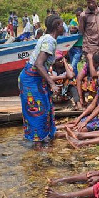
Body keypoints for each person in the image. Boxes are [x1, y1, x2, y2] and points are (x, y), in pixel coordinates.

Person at [18, 15, 64, 148]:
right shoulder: (49, 41)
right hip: (31, 79)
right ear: (57, 26)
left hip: (35, 77)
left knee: (45, 107)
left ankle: (44, 139)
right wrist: (52, 83)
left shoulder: (48, 39)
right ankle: (37, 145)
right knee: (37, 110)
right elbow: (39, 64)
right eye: (62, 25)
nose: (63, 27)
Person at [59, 62, 99, 135]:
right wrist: (80, 117)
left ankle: (60, 134)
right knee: (78, 122)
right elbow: (93, 104)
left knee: (82, 128)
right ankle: (55, 129)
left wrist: (86, 121)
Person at [68, 7, 84, 76]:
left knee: (73, 65)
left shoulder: (84, 21)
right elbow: (71, 30)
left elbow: (82, 30)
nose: (78, 17)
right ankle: (76, 78)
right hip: (71, 46)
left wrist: (77, 27)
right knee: (72, 65)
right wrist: (77, 27)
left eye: (79, 15)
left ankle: (76, 79)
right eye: (77, 15)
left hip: (79, 47)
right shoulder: (73, 21)